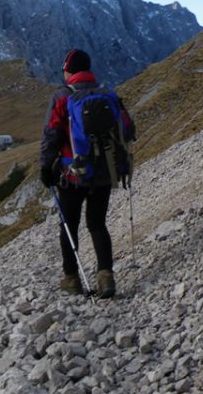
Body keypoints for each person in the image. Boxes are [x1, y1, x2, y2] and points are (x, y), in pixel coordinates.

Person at [39, 49, 136, 298]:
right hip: (104, 172)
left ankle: (72, 279)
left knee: (69, 226)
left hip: (73, 175)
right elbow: (128, 129)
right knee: (97, 224)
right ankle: (106, 278)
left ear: (68, 71)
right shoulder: (108, 94)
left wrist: (45, 166)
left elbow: (52, 134)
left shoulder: (62, 97)